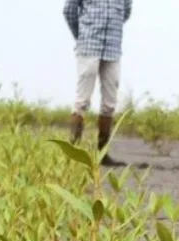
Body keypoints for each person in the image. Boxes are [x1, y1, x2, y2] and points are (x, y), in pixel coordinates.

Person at [63, 0, 132, 166]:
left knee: (110, 103)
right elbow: (69, 11)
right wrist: (82, 36)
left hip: (112, 48)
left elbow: (126, 11)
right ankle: (74, 153)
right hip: (89, 45)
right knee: (82, 101)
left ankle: (102, 154)